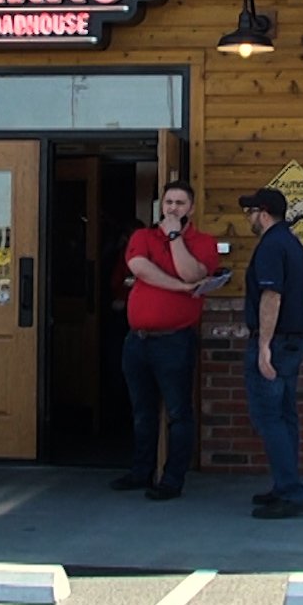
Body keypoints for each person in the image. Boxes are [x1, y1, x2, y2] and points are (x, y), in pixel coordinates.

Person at [111, 181, 221, 501]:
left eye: (180, 203)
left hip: (174, 342)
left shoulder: (203, 242)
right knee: (142, 411)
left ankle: (172, 479)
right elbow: (140, 269)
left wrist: (175, 237)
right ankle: (140, 472)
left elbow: (192, 273)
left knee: (178, 413)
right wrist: (180, 288)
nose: (173, 208)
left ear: (192, 208)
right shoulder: (142, 237)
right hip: (137, 341)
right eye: (168, 202)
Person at [238, 187, 303, 519]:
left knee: (270, 419)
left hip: (276, 342)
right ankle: (285, 483)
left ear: (263, 212)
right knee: (285, 416)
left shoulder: (270, 246)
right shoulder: (292, 244)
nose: (248, 218)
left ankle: (291, 491)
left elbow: (272, 297)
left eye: (250, 212)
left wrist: (264, 347)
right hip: (293, 341)